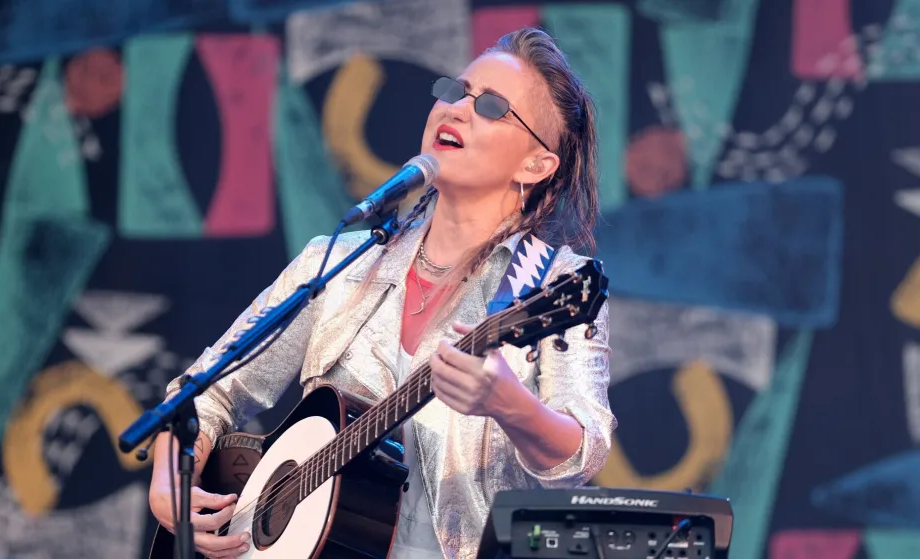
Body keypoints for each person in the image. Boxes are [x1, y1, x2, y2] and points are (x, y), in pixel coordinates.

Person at [148, 26, 616, 559]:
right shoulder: (343, 261)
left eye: (490, 106)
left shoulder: (554, 284)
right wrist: (171, 483)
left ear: (536, 164)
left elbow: (585, 449)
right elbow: (207, 391)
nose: (457, 110)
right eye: (455, 91)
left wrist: (511, 406)